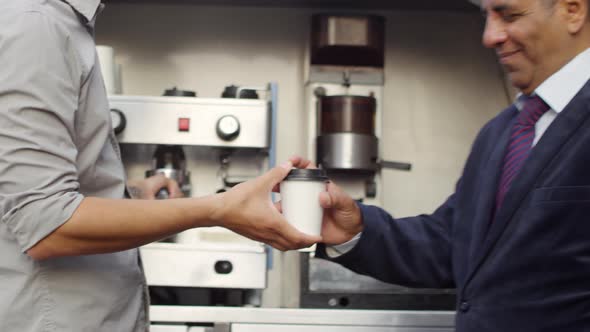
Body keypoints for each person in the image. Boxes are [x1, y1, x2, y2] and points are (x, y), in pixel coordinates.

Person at [0, 1, 319, 331]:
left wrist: (134, 193)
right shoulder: (36, 25)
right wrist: (220, 209)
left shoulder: (54, 24)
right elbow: (47, 224)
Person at [291, 0, 590, 330]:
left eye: (509, 15)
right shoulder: (504, 131)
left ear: (573, 10)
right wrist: (352, 230)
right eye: (486, 17)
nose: (490, 36)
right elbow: (451, 244)